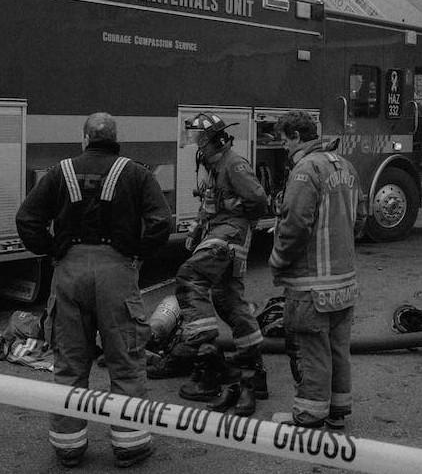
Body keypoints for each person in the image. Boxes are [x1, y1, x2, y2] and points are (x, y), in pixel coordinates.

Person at [15, 112, 172, 468]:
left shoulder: (60, 172)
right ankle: (130, 444)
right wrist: (137, 251)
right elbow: (161, 222)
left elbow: (27, 219)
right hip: (116, 271)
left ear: (84, 138)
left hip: (69, 271)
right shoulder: (136, 173)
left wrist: (53, 249)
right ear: (116, 139)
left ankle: (68, 446)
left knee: (69, 364)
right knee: (126, 361)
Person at [149, 112, 268, 408]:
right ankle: (252, 364)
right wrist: (196, 229)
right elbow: (209, 203)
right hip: (220, 230)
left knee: (190, 277)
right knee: (226, 297)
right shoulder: (213, 165)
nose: (195, 142)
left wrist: (235, 212)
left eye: (198, 137)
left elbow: (259, 201)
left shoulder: (234, 164)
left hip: (231, 233)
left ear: (212, 138)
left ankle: (203, 350)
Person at [269, 110, 367, 429]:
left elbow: (295, 224)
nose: (284, 147)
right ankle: (337, 411)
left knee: (311, 351)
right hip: (345, 284)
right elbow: (361, 218)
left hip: (311, 287)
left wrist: (278, 260)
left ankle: (309, 415)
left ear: (297, 137)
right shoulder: (346, 166)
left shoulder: (306, 169)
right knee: (338, 349)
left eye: (284, 140)